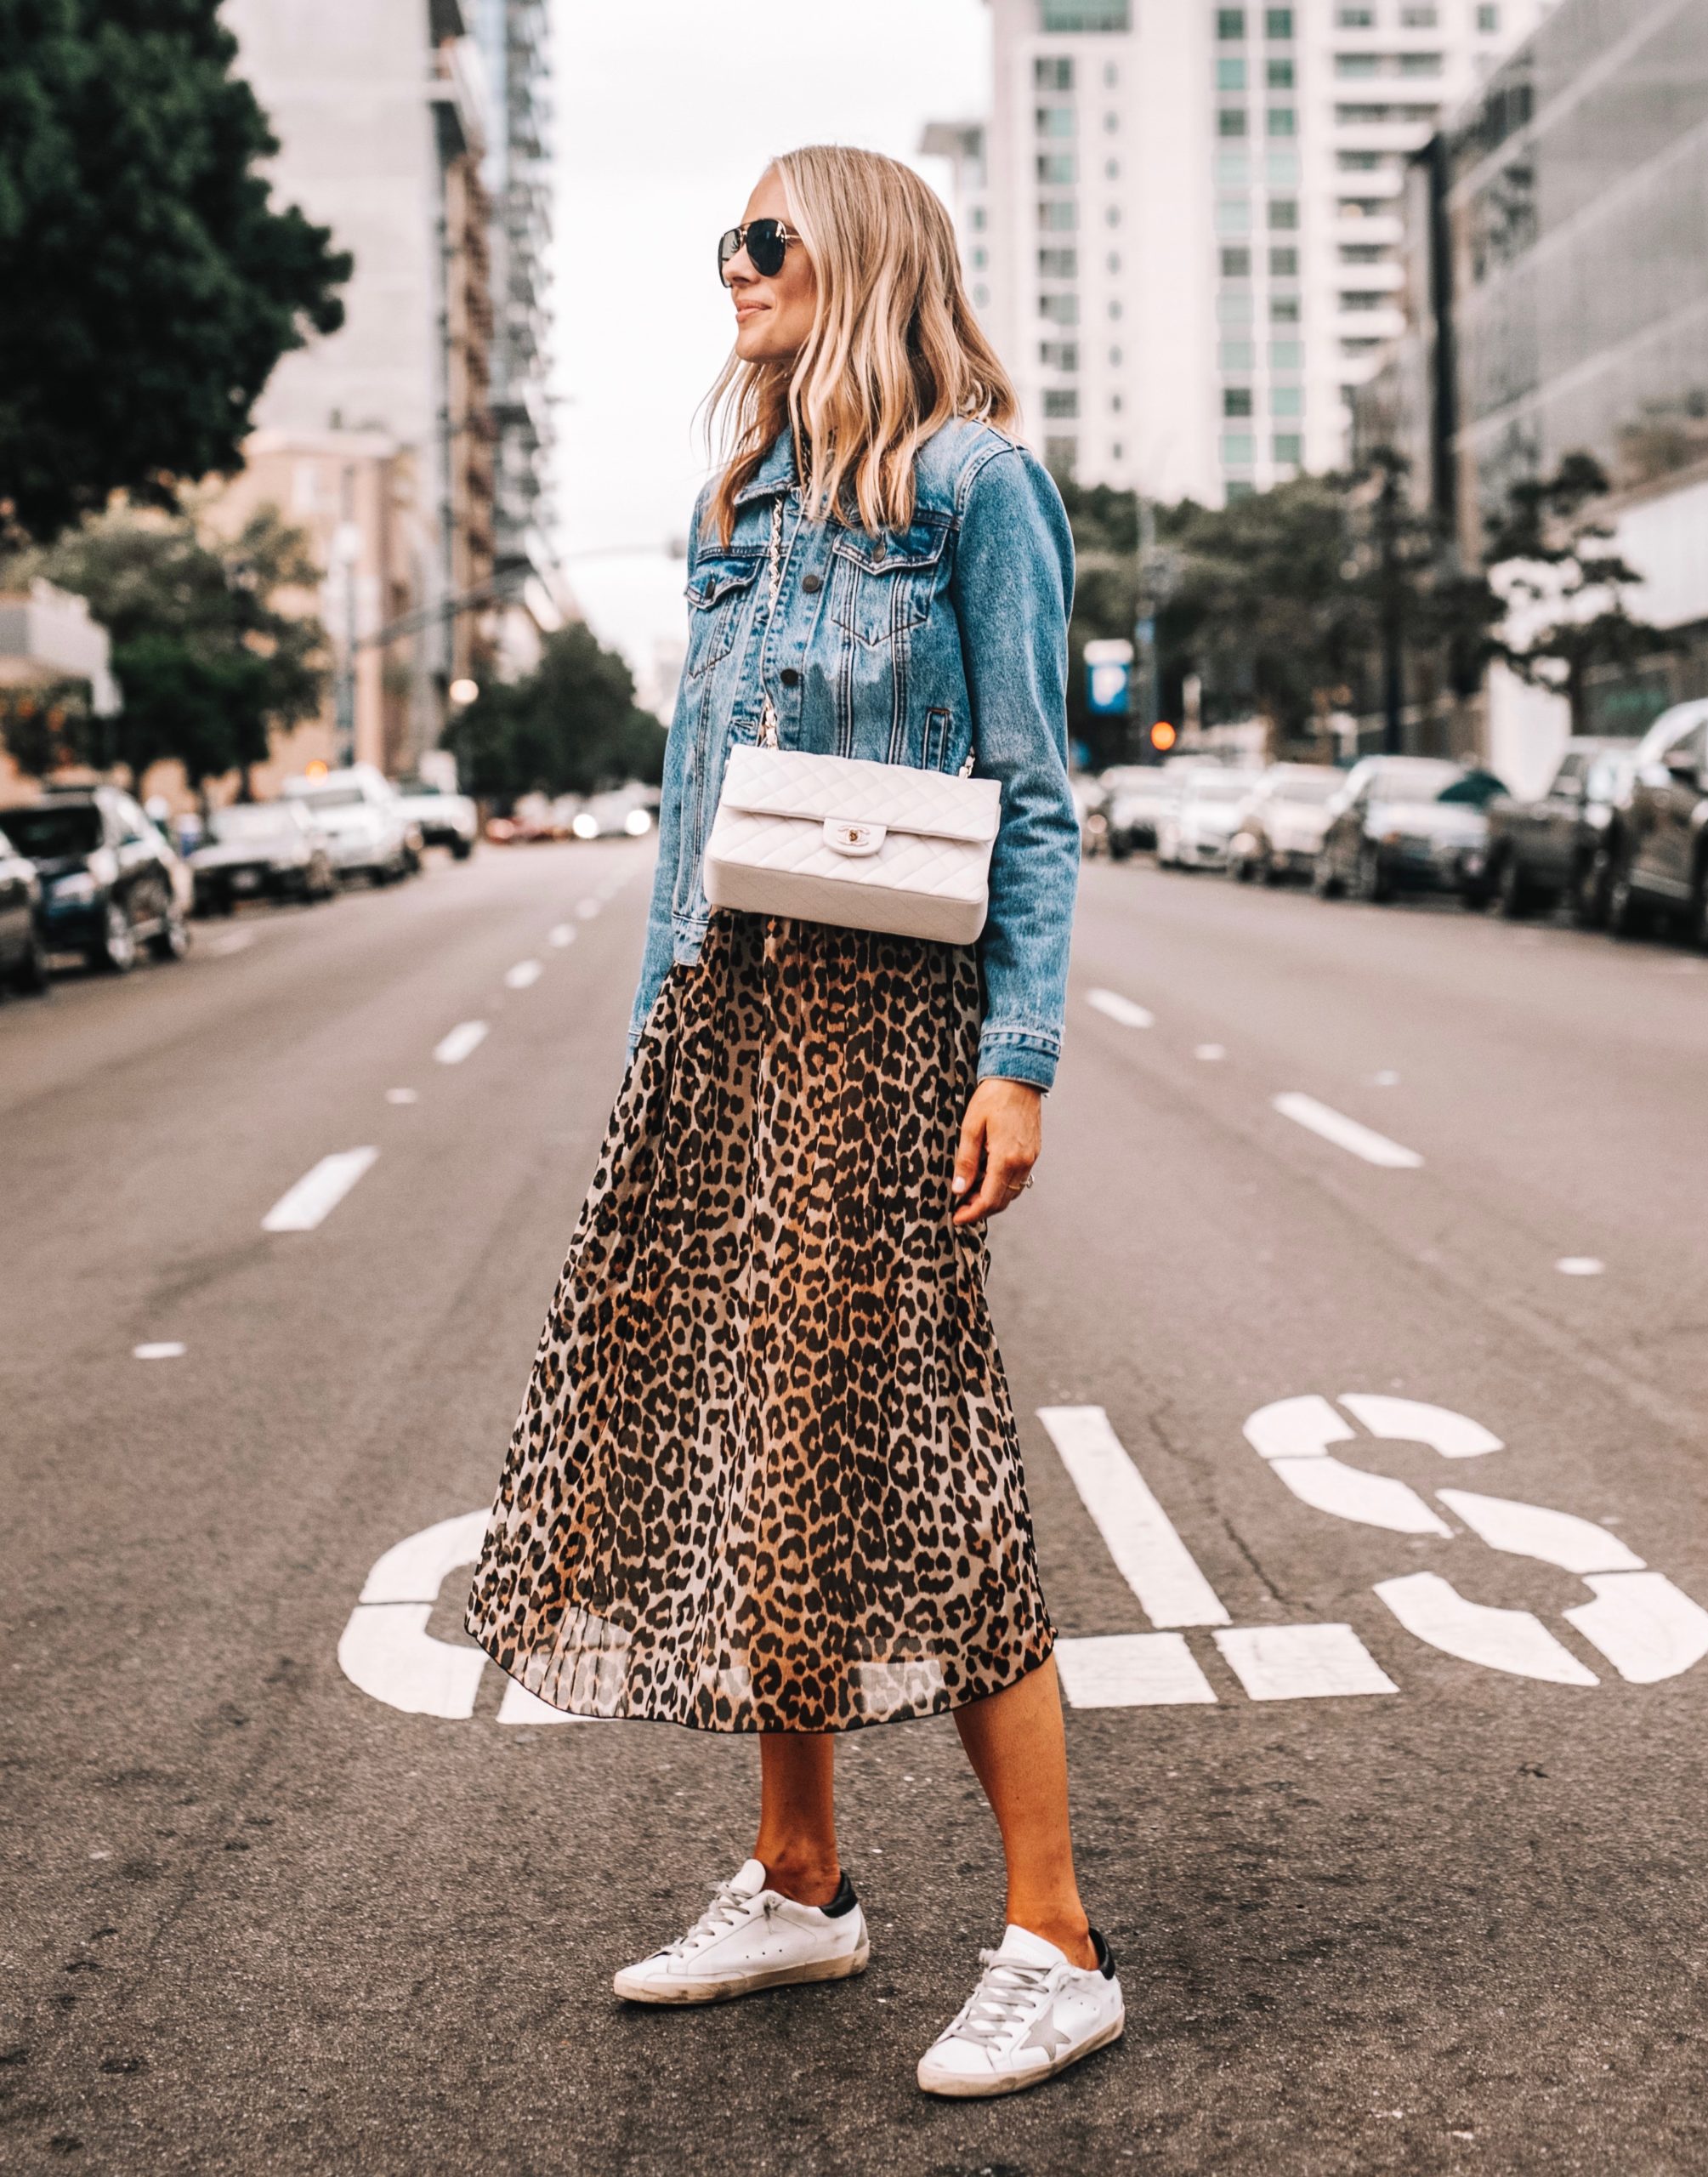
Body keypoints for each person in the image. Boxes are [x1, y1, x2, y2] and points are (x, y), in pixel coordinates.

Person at [466, 144, 1120, 2100]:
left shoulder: (976, 490)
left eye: (764, 237)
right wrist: (668, 1007)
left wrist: (1019, 1052)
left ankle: (1058, 1931)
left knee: (921, 1445)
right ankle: (801, 1871)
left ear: (860, 255)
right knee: (769, 1437)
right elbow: (692, 791)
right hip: (735, 1015)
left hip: (889, 1020)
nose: (732, 267)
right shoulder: (733, 503)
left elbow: (1034, 783)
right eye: (724, 239)